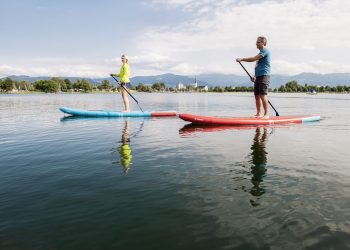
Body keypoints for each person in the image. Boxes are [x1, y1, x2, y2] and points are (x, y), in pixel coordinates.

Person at [236, 36, 271, 119]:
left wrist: (242, 59)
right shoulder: (260, 54)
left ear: (263, 43)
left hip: (264, 76)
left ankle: (266, 114)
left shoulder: (265, 51)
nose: (256, 43)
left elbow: (253, 59)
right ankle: (258, 113)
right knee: (256, 96)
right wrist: (254, 76)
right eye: (256, 42)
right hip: (258, 77)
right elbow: (258, 66)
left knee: (262, 95)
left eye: (258, 42)